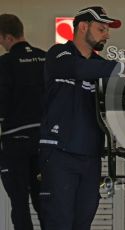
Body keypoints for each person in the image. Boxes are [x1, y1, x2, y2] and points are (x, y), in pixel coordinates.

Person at [38, 6, 125, 230]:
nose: (107, 35)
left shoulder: (102, 67)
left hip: (91, 155)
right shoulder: (59, 54)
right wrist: (124, 67)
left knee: (83, 222)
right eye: (101, 29)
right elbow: (78, 69)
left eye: (107, 30)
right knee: (59, 221)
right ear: (82, 27)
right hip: (59, 153)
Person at [0, 14, 45, 230]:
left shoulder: (5, 63)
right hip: (45, 141)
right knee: (44, 202)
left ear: (7, 37)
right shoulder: (45, 58)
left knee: (19, 203)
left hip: (15, 141)